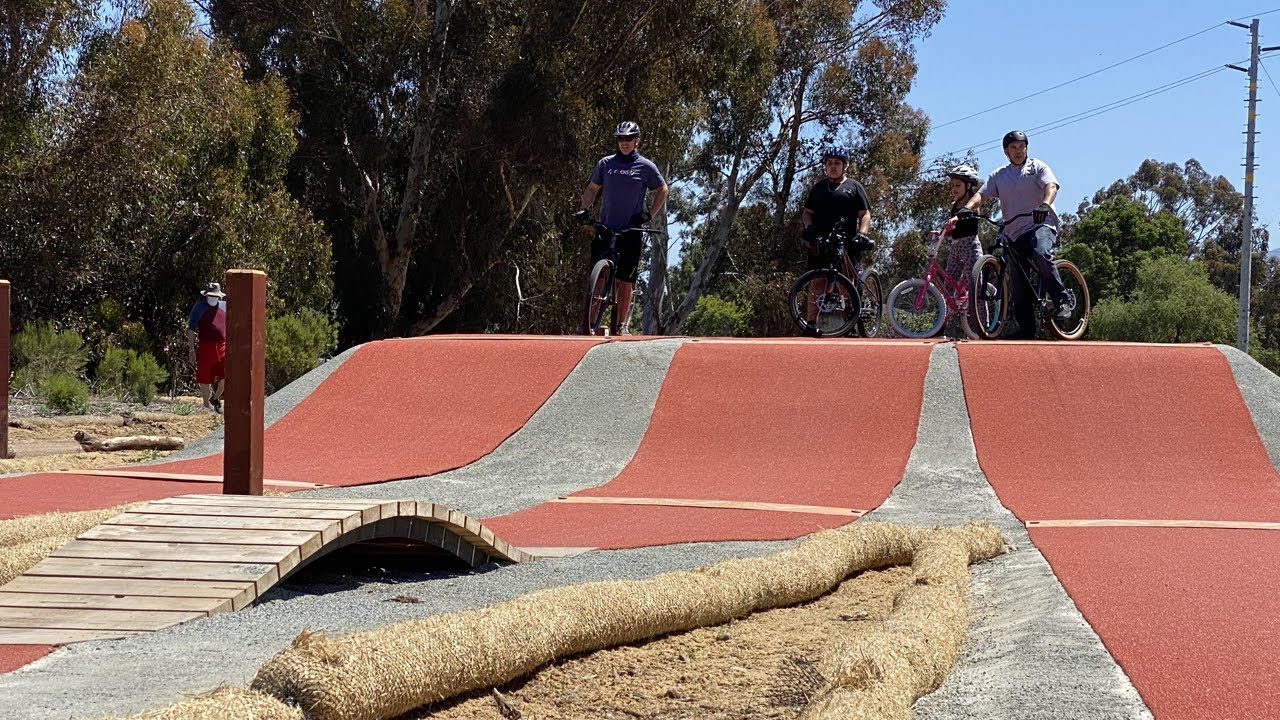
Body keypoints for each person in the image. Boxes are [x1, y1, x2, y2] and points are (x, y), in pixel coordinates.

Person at [953, 130, 1073, 337]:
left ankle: (1064, 301)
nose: (1018, 151)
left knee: (1041, 253)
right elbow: (981, 195)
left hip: (1040, 225)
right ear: (1006, 152)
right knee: (1018, 284)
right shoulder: (1000, 175)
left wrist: (1045, 204)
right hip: (1014, 232)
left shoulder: (1037, 167)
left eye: (1022, 147)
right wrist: (967, 208)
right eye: (1013, 148)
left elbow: (1051, 186)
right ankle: (1026, 330)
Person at [574, 121, 669, 334]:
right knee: (597, 277)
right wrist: (584, 208)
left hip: (631, 231)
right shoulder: (606, 164)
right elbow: (592, 188)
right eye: (620, 139)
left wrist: (649, 214)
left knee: (626, 279)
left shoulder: (645, 166)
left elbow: (662, 189)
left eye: (628, 139)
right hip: (606, 227)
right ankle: (588, 323)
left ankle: (621, 325)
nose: (624, 143)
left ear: (637, 140)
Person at [798, 147, 874, 325]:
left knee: (845, 283)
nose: (833, 166)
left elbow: (865, 213)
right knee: (816, 281)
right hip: (821, 242)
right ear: (825, 166)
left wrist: (863, 234)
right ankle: (811, 324)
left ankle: (850, 320)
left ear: (845, 166)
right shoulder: (818, 188)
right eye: (829, 163)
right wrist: (808, 227)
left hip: (846, 243)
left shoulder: (854, 187)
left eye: (837, 163)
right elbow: (807, 212)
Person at [187, 282, 226, 413]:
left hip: (222, 345)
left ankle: (215, 398)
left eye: (215, 295)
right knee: (204, 376)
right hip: (206, 345)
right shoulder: (199, 308)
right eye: (210, 295)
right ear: (206, 296)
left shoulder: (225, 307)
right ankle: (206, 406)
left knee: (226, 375)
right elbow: (191, 329)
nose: (212, 298)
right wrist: (191, 349)